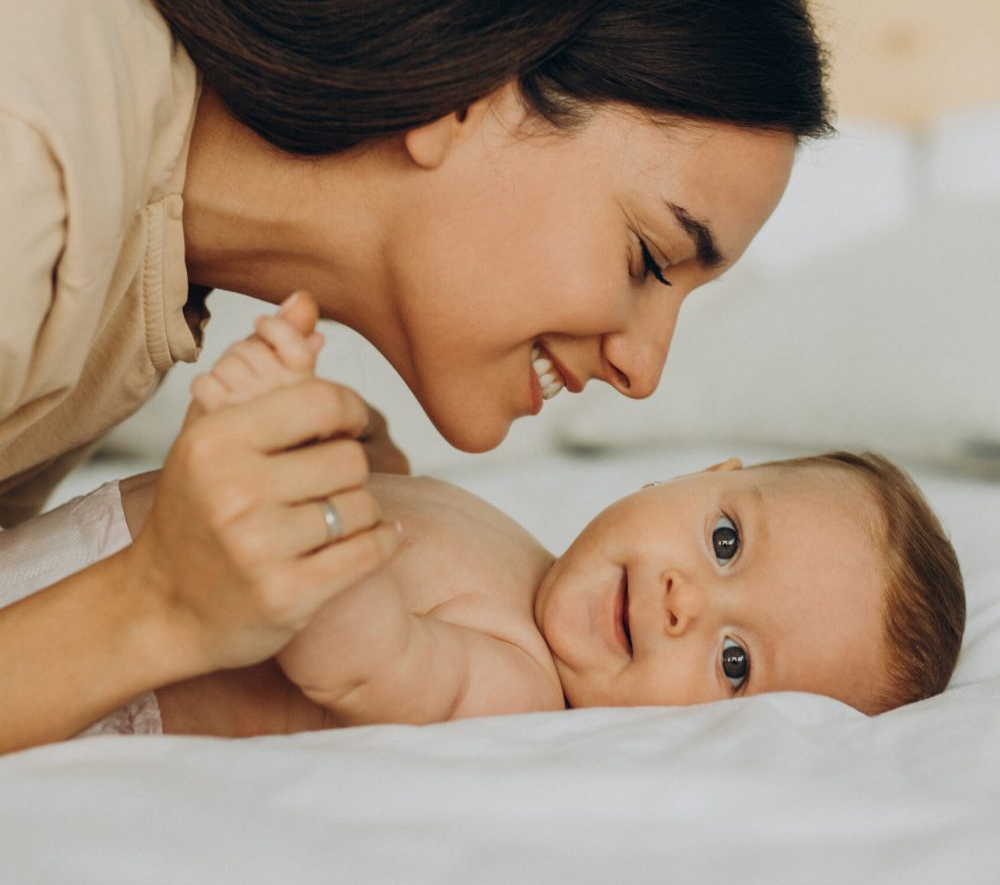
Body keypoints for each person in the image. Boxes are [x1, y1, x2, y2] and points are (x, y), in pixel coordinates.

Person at [0, 0, 832, 751]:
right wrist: (156, 601)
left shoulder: (147, 280)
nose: (644, 369)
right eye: (649, 259)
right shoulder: (31, 163)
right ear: (467, 88)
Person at [0, 305, 966, 743]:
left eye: (735, 662)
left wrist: (282, 459)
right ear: (701, 475)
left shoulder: (517, 685)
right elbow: (416, 533)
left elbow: (360, 655)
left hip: (75, 682)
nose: (685, 604)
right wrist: (370, 458)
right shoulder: (522, 551)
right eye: (724, 544)